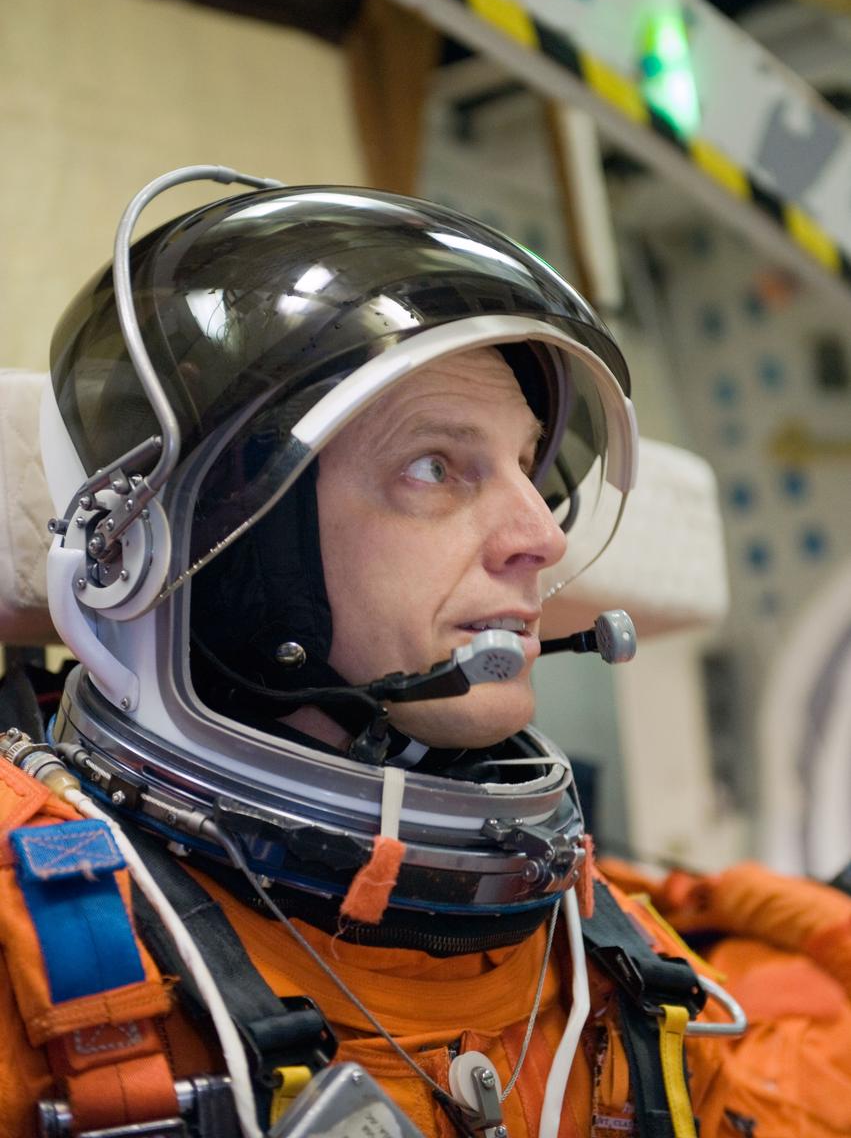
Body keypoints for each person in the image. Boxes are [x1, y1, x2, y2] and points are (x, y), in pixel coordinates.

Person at [1, 169, 850, 1138]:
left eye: (527, 466)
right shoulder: (31, 962)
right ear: (239, 547)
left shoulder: (609, 962)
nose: (541, 536)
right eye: (434, 466)